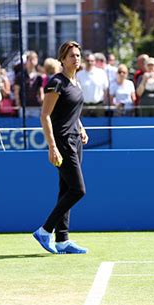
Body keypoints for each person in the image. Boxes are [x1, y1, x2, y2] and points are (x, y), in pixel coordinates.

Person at [33, 40, 89, 255]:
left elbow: (71, 111)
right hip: (62, 141)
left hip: (75, 139)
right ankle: (45, 230)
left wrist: (81, 127)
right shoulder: (56, 82)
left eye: (78, 55)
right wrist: (52, 146)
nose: (76, 58)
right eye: (72, 55)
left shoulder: (76, 81)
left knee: (66, 189)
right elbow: (45, 115)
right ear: (62, 60)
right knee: (77, 190)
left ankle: (63, 240)